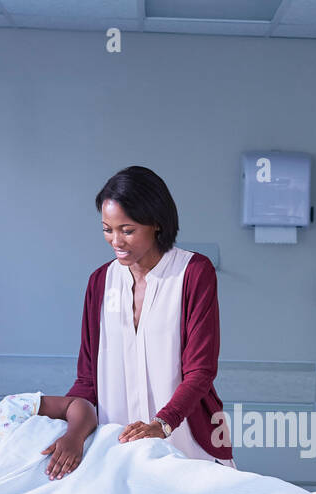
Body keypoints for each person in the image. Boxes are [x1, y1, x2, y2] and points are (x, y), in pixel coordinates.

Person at [66, 165, 237, 468]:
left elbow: (201, 370)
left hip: (186, 440)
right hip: (116, 447)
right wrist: (68, 430)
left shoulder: (194, 273)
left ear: (156, 223)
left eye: (127, 230)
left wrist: (163, 424)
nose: (116, 241)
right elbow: (87, 380)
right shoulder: (100, 283)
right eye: (107, 229)